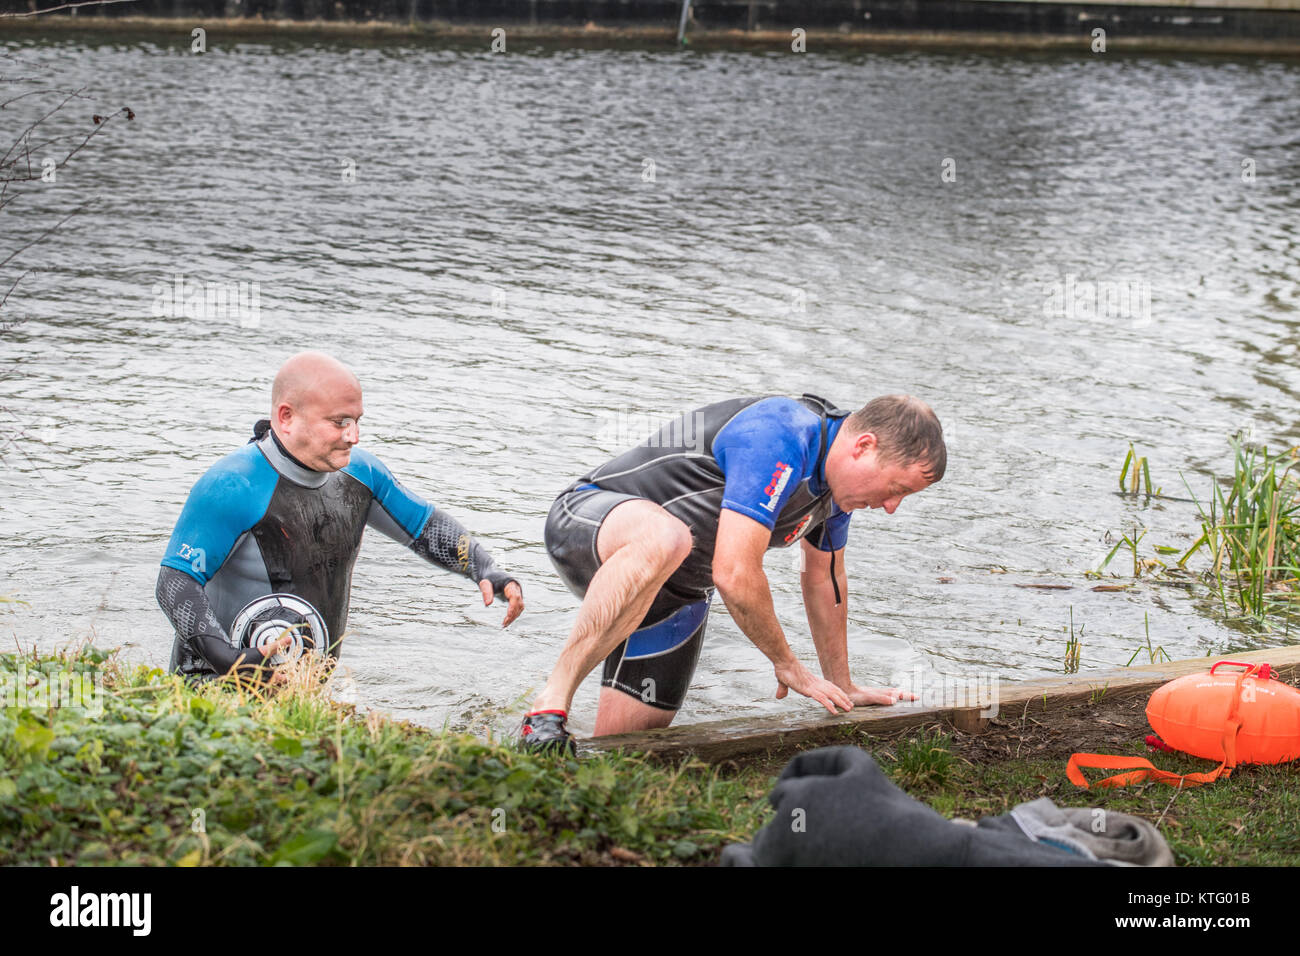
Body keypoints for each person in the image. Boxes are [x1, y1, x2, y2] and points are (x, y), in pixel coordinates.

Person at [519, 393, 944, 753]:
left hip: (676, 594)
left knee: (628, 751)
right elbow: (734, 571)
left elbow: (824, 581)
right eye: (898, 489)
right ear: (864, 446)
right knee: (667, 539)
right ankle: (548, 705)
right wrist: (787, 664)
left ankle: (549, 767)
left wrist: (843, 685)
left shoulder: (836, 494)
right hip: (586, 523)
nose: (892, 507)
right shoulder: (780, 434)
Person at [155, 351, 524, 684]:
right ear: (286, 417)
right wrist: (230, 662)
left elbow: (424, 527)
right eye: (339, 422)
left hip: (302, 693)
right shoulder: (232, 484)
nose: (354, 436)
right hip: (211, 686)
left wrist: (481, 565)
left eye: (357, 420)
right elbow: (175, 582)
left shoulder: (361, 474)